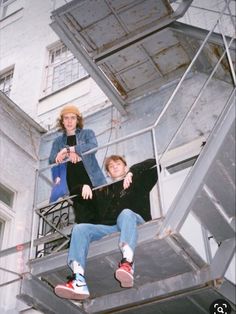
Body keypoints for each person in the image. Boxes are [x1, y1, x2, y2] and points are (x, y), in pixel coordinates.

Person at [54, 155, 158, 300]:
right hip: (112, 228)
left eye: (118, 163)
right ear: (108, 173)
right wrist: (83, 186)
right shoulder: (103, 191)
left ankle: (127, 263)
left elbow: (154, 162)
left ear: (125, 167)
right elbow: (77, 196)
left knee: (125, 213)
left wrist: (132, 172)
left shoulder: (138, 180)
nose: (115, 166)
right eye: (111, 166)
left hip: (134, 221)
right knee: (79, 228)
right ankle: (78, 279)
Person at [49, 104, 106, 221]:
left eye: (73, 118)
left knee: (100, 212)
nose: (69, 121)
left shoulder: (87, 133)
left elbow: (93, 146)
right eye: (66, 118)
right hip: (73, 183)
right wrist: (69, 154)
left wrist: (69, 149)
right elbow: (52, 159)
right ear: (62, 121)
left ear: (77, 120)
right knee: (82, 216)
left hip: (92, 179)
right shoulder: (58, 141)